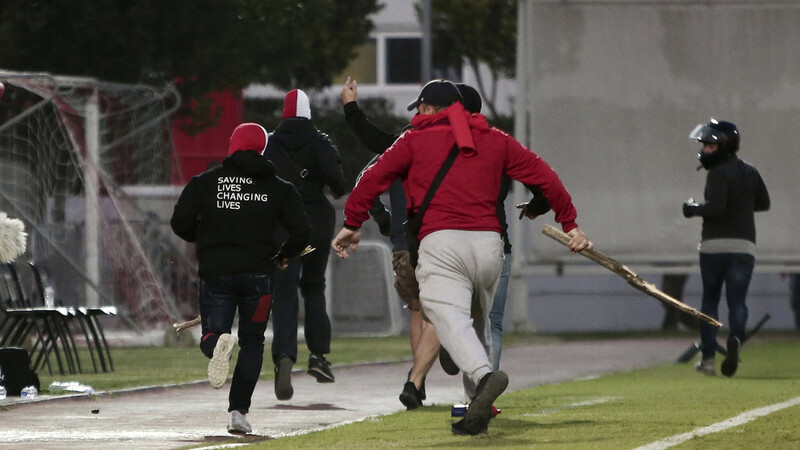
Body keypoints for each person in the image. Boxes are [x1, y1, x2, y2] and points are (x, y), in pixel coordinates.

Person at [333, 79, 591, 435]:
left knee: (445, 314)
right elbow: (546, 177)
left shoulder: (413, 140)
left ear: (425, 109)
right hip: (490, 245)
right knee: (481, 326)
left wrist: (352, 223)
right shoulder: (497, 138)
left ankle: (486, 377)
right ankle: (476, 413)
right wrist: (571, 224)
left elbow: (371, 180)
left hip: (442, 243)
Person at [170, 123, 311, 433]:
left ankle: (215, 342)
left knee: (214, 332)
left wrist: (205, 238)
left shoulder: (205, 182)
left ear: (231, 146)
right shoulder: (280, 188)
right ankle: (238, 413)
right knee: (253, 342)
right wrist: (283, 255)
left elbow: (179, 222)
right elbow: (303, 233)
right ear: (263, 149)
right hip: (259, 277)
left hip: (216, 273)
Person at [264, 89, 347, 400]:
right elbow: (339, 184)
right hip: (316, 226)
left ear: (284, 114)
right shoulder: (321, 141)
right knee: (313, 288)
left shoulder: (269, 143)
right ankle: (319, 356)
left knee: (284, 293)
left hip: (283, 228)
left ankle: (284, 357)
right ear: (309, 113)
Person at [683, 118, 770, 377]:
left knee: (710, 300)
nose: (706, 150)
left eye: (710, 145)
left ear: (724, 146)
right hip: (744, 246)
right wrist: (741, 208)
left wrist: (692, 208)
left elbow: (717, 209)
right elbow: (763, 203)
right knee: (738, 301)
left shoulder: (717, 173)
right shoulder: (751, 172)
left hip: (714, 246)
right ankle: (736, 341)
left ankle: (708, 359)